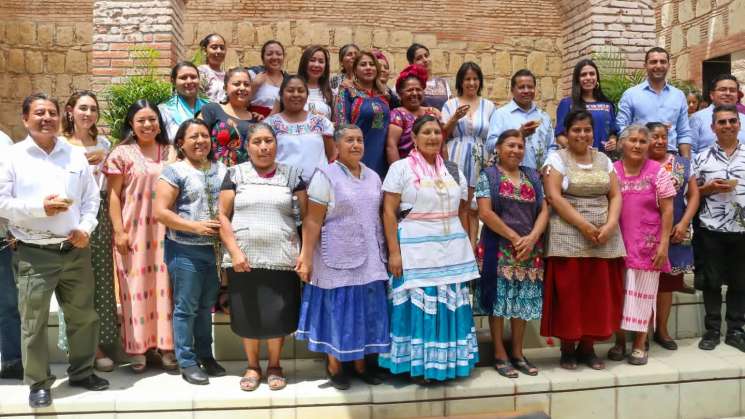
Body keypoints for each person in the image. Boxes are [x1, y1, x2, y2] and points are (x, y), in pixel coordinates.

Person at [0, 93, 108, 408]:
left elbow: (92, 199)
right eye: (39, 113)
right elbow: (2, 202)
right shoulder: (13, 156)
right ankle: (38, 382)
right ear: (25, 119)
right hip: (34, 252)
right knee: (32, 322)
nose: (47, 118)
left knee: (83, 316)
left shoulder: (73, 156)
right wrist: (39, 209)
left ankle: (83, 372)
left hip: (74, 248)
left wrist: (86, 229)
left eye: (51, 112)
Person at [378, 115, 480, 383]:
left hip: (450, 248)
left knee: (448, 303)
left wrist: (468, 245)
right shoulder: (400, 168)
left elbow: (462, 210)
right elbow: (388, 212)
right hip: (414, 247)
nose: (433, 137)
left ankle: (446, 365)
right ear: (414, 137)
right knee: (419, 303)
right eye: (426, 132)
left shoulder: (453, 169)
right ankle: (420, 366)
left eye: (437, 132)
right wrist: (394, 252)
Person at [295, 124, 389, 390]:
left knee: (365, 311)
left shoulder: (373, 176)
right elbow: (312, 220)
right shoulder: (326, 175)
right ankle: (335, 365)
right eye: (349, 140)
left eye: (359, 139)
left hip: (371, 255)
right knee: (339, 310)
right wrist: (306, 257)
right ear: (337, 145)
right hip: (336, 255)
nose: (356, 145)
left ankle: (361, 365)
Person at [218, 123, 307, 391]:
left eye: (269, 141)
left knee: (278, 313)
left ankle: (276, 364)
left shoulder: (292, 176)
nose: (264, 147)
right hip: (244, 259)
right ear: (247, 146)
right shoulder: (235, 174)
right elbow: (222, 215)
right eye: (257, 141)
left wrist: (304, 254)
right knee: (248, 314)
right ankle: (253, 365)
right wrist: (234, 251)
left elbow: (305, 218)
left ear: (276, 145)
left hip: (282, 258)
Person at [540, 110, 626, 371]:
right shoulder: (556, 159)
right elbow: (554, 197)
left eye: (587, 129)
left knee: (595, 294)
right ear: (566, 132)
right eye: (576, 129)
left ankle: (587, 348)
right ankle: (567, 349)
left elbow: (615, 195)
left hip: (603, 237)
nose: (582, 134)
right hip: (568, 235)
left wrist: (610, 224)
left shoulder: (604, 160)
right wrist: (584, 225)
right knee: (570, 294)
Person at [103, 100, 177, 373]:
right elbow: (112, 196)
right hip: (133, 232)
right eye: (141, 120)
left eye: (152, 119)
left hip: (166, 232)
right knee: (134, 289)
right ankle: (138, 350)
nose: (148, 125)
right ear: (132, 126)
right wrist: (119, 231)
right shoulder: (121, 154)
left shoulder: (170, 152)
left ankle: (167, 347)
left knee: (165, 288)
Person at [154, 119, 227, 385]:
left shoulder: (222, 170)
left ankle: (206, 356)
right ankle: (187, 361)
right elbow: (160, 212)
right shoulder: (174, 172)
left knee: (206, 307)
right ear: (181, 143)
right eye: (193, 136)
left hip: (214, 252)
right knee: (186, 307)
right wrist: (194, 227)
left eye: (205, 136)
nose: (200, 141)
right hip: (184, 250)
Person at [475, 129, 548, 378]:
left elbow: (544, 210)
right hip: (500, 248)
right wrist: (515, 237)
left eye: (520, 146)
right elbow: (485, 213)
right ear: (498, 148)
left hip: (529, 249)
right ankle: (499, 353)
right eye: (510, 145)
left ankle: (518, 353)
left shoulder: (532, 177)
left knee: (522, 303)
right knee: (499, 304)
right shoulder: (489, 176)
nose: (516, 150)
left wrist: (533, 237)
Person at [57, 91, 120, 372]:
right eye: (83, 108)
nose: (88, 113)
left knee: (102, 281)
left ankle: (101, 341)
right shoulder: (60, 145)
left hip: (102, 215)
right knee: (75, 281)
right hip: (71, 215)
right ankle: (83, 347)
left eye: (93, 109)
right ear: (70, 110)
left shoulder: (104, 143)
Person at [608, 125, 675, 365]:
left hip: (648, 245)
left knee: (643, 295)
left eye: (642, 141)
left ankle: (639, 344)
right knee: (619, 295)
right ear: (622, 144)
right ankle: (619, 342)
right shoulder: (612, 171)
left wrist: (664, 244)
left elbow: (668, 210)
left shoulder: (657, 171)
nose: (637, 145)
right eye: (632, 140)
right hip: (616, 244)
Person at [693, 104, 745, 353]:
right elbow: (691, 195)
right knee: (711, 282)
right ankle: (712, 330)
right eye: (722, 122)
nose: (727, 126)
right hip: (711, 228)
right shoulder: (701, 158)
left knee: (740, 281)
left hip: (742, 228)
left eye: (731, 121)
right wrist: (708, 189)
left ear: (739, 124)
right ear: (713, 128)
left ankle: (736, 330)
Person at [647, 122, 700, 350]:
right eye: (654, 136)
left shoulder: (681, 163)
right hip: (645, 233)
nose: (660, 141)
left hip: (675, 231)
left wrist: (684, 223)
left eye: (663, 136)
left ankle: (662, 330)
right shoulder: (639, 163)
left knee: (667, 285)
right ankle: (642, 333)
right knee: (644, 283)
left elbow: (695, 195)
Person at [442, 62, 496, 248]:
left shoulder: (489, 106)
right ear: (461, 82)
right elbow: (443, 134)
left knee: (475, 205)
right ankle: (459, 247)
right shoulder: (450, 104)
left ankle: (473, 248)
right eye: (467, 79)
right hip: (455, 155)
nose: (471, 83)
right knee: (459, 204)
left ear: (480, 82)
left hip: (480, 157)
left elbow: (492, 135)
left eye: (475, 79)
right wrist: (454, 118)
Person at [616, 47, 693, 158]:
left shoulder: (678, 95)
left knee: (679, 176)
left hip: (671, 156)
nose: (658, 66)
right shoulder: (631, 94)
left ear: (668, 65)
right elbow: (621, 128)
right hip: (640, 157)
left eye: (663, 62)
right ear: (645, 65)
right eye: (653, 62)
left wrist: (686, 165)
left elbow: (684, 133)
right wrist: (644, 131)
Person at [265, 75, 335, 182]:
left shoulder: (321, 122)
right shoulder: (269, 125)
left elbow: (332, 156)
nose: (296, 94)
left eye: (301, 91)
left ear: (307, 95)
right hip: (283, 186)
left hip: (319, 189)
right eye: (290, 90)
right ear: (281, 95)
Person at [334, 51, 391, 179]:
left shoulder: (385, 94)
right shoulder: (347, 91)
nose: (368, 67)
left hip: (382, 156)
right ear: (355, 69)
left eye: (372, 64)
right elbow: (341, 125)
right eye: (363, 64)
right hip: (355, 154)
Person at [486, 69, 555, 170]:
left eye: (530, 87)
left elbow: (552, 146)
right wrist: (518, 134)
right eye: (521, 87)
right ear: (512, 90)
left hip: (540, 179)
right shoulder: (501, 115)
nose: (526, 91)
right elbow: (490, 145)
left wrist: (547, 166)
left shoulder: (544, 117)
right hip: (509, 179)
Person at [555, 59, 619, 158]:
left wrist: (613, 141)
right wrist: (578, 151)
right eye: (583, 75)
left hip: (604, 160)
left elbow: (613, 132)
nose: (588, 77)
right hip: (576, 160)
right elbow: (559, 135)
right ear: (577, 79)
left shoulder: (607, 105)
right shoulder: (567, 104)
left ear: (597, 77)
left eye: (592, 74)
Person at [199, 67, 256, 167]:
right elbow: (196, 139)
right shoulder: (211, 110)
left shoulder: (256, 120)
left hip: (246, 179)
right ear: (225, 87)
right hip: (214, 175)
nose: (242, 88)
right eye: (237, 84)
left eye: (246, 84)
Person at [386, 64, 440, 164]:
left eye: (418, 89)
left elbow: (442, 144)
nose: (414, 93)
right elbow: (391, 146)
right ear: (400, 94)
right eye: (410, 90)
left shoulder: (431, 113)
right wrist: (399, 174)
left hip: (433, 169)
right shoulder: (397, 115)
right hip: (409, 171)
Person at [0, 129, 22, 381]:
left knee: (6, 303)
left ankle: (12, 360)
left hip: (0, 235)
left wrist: (13, 228)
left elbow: (11, 189)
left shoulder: (2, 142)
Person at [689, 75, 745, 155]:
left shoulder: (743, 119)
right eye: (723, 90)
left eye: (732, 90)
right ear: (712, 95)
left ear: (737, 96)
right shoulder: (697, 118)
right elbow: (688, 151)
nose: (728, 93)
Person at [159, 61, 209, 141]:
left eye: (193, 77)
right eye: (183, 78)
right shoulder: (164, 111)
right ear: (173, 81)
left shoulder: (209, 107)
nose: (189, 81)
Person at [406, 43, 451, 110]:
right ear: (411, 64)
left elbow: (450, 108)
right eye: (419, 58)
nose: (425, 60)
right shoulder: (408, 84)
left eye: (426, 56)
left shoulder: (443, 83)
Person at [294, 45, 333, 120]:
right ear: (304, 63)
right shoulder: (292, 88)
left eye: (321, 61)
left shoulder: (331, 91)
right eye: (312, 60)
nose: (316, 65)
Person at [249, 40, 286, 117]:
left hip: (280, 124)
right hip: (255, 120)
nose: (274, 57)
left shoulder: (288, 81)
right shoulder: (253, 75)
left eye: (279, 54)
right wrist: (254, 85)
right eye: (269, 54)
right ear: (263, 58)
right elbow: (239, 101)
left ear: (283, 57)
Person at [197, 33, 227, 103]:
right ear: (205, 51)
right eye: (214, 47)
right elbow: (198, 98)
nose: (219, 51)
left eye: (222, 48)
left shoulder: (228, 75)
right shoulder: (201, 72)